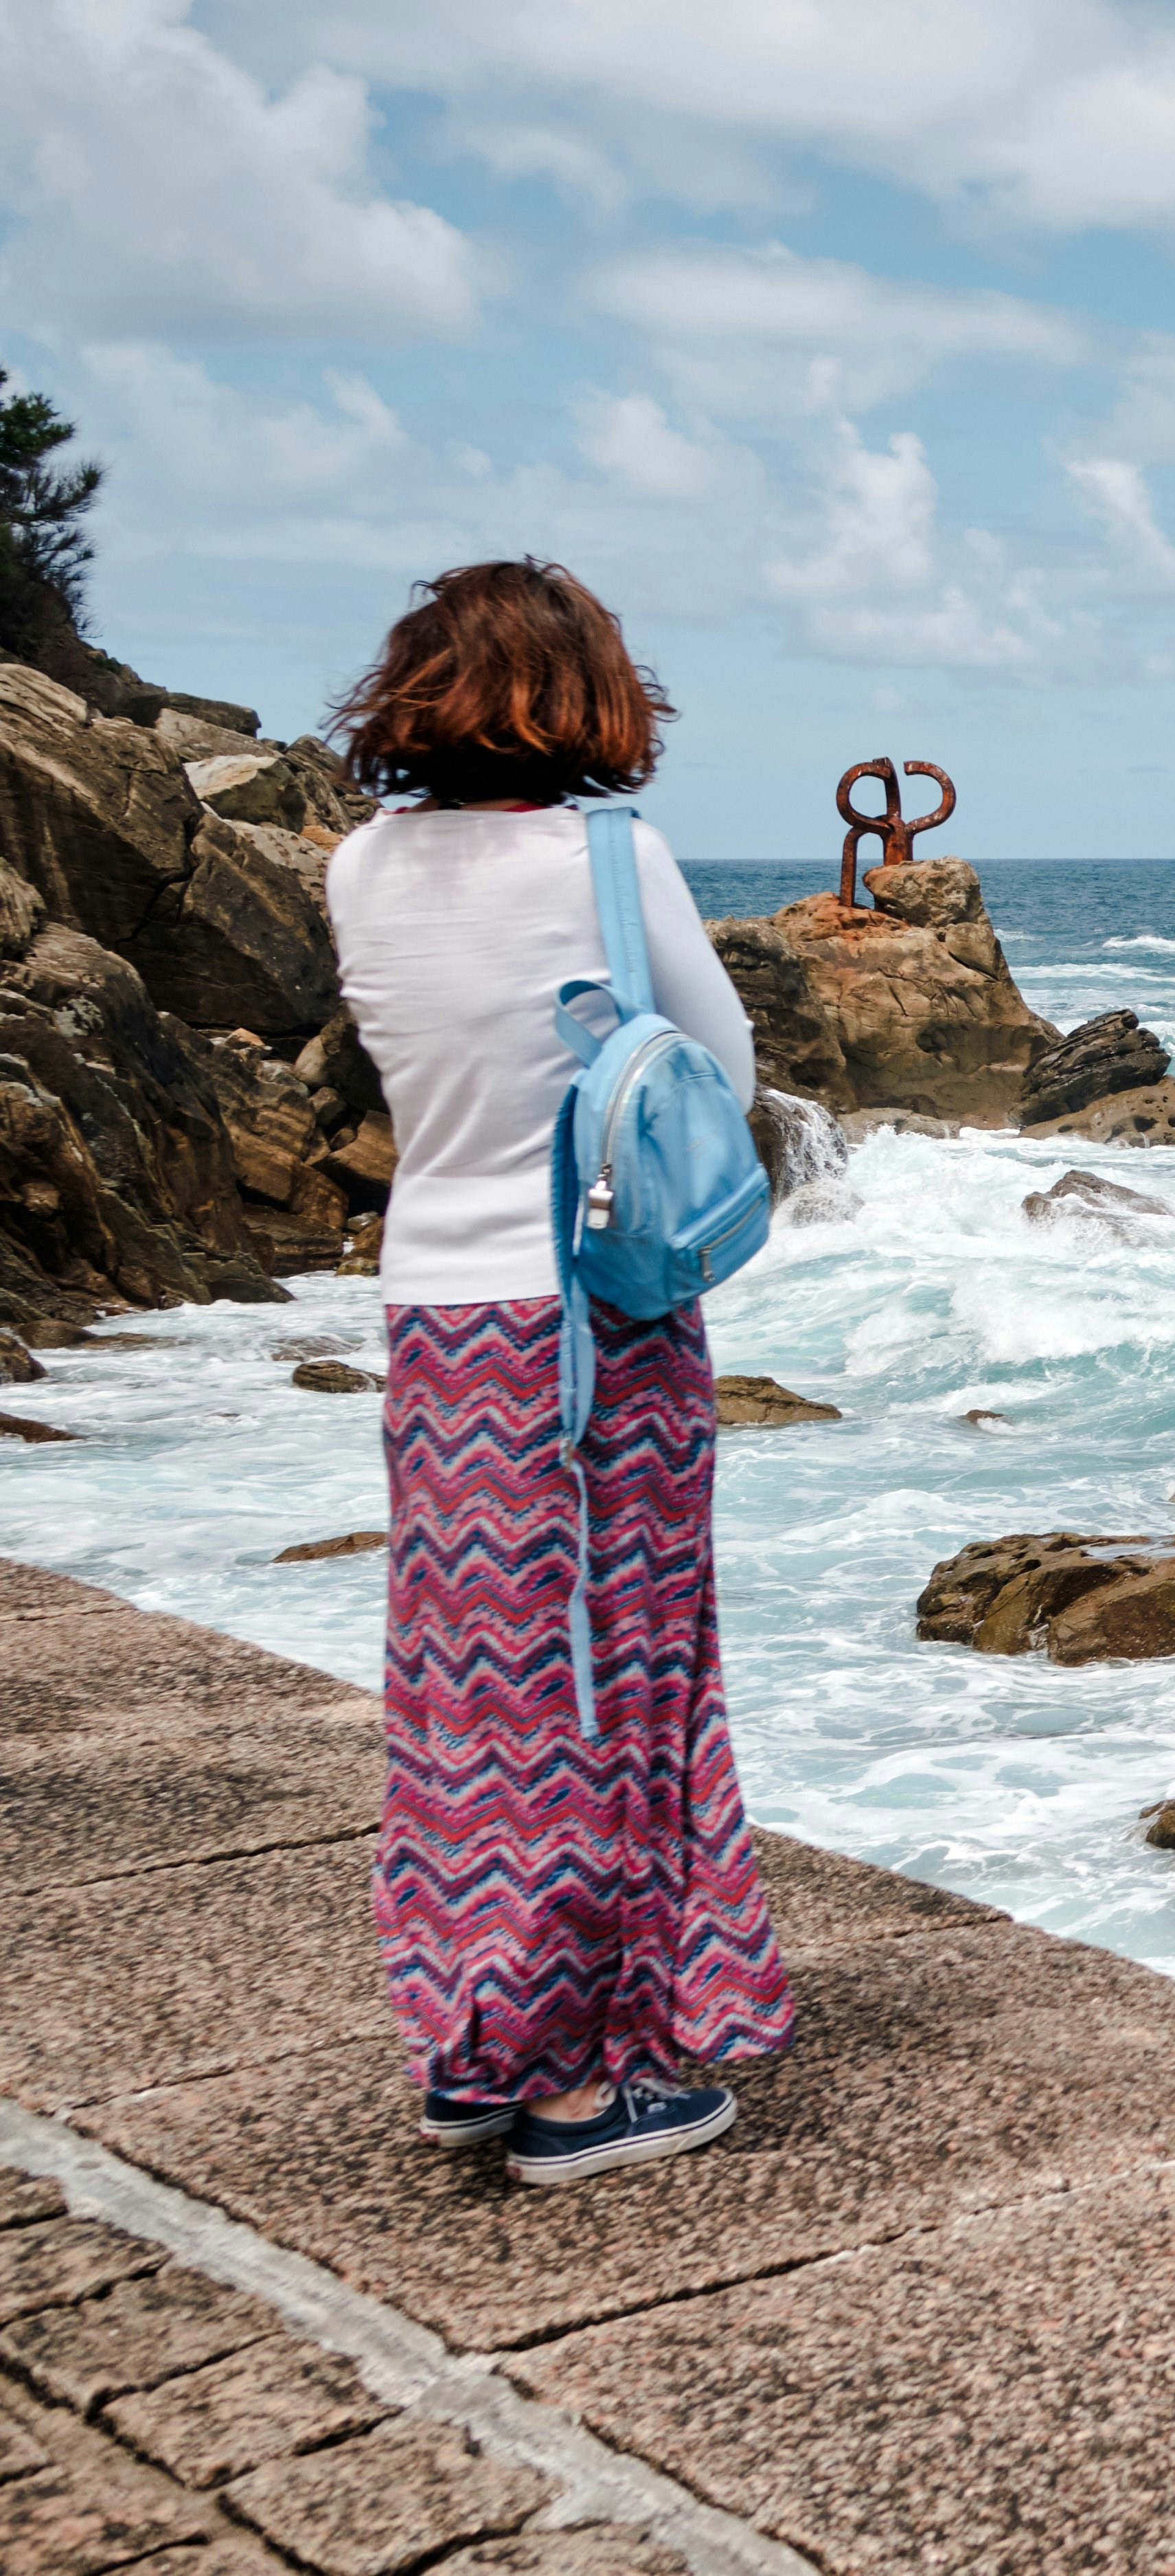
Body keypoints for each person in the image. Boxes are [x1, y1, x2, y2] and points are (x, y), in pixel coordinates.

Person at [323, 560, 792, 2188]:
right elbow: (718, 1073)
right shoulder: (610, 856)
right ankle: (587, 2084)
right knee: (615, 1674)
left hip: (435, 1325)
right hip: (598, 1325)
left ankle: (475, 2038)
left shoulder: (359, 868)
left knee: (476, 1692)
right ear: (587, 692)